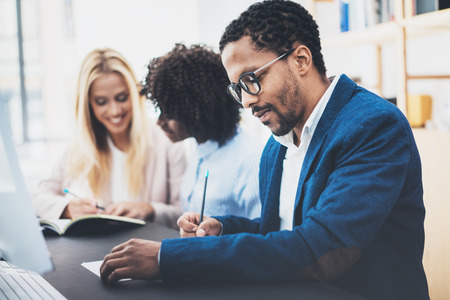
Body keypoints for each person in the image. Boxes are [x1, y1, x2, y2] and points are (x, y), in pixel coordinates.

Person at [100, 1, 429, 299]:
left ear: (301, 60)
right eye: (236, 89)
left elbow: (321, 249)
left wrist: (167, 258)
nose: (246, 101)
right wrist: (224, 228)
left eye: (251, 79)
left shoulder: (373, 126)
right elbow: (283, 231)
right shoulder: (277, 147)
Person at [32, 48, 186, 228]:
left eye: (122, 98)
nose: (115, 111)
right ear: (88, 104)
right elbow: (39, 198)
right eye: (101, 102)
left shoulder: (167, 140)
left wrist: (149, 209)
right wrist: (67, 207)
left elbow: (186, 212)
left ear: (135, 94)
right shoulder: (79, 146)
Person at [140, 43, 262, 219]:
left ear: (199, 110)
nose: (160, 122)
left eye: (170, 113)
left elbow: (263, 237)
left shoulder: (249, 160)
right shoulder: (199, 150)